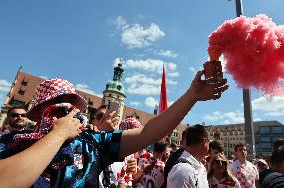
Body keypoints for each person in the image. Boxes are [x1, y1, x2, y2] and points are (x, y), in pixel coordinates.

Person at [0, 68, 228, 187]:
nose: (65, 112)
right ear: (38, 112)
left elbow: (148, 132)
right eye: (55, 108)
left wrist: (192, 96)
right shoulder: (11, 143)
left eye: (70, 106)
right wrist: (58, 134)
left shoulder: (91, 144)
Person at [0, 109, 83, 188]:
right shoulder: (4, 138)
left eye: (23, 115)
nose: (20, 117)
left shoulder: (40, 136)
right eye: (15, 115)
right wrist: (60, 132)